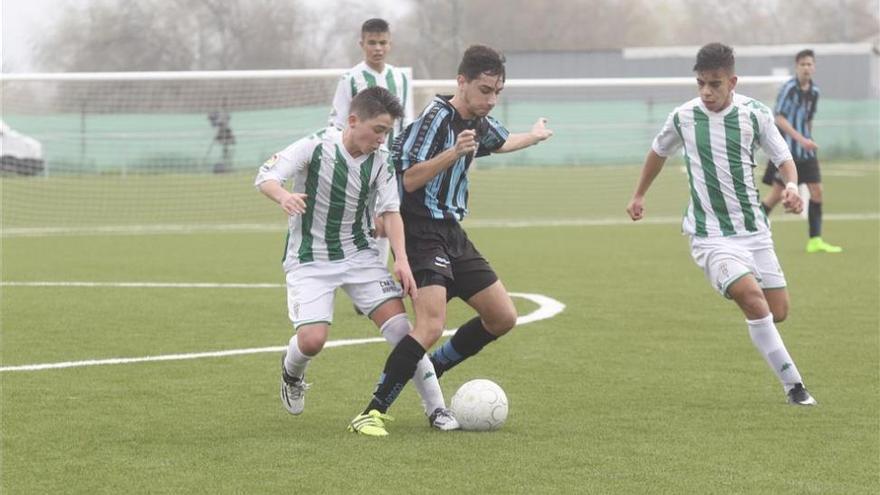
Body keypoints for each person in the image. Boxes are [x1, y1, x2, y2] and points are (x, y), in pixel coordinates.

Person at [347, 45, 553, 436]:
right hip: (419, 230)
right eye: (484, 90)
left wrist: (536, 136)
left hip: (452, 233)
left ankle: (433, 368)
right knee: (429, 324)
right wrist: (452, 153)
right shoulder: (435, 118)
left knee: (503, 317)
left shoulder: (478, 119)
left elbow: (501, 141)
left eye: (497, 92)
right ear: (462, 82)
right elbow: (406, 179)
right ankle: (372, 412)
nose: (491, 100)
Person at [255, 87, 459, 431]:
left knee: (402, 332)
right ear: (353, 120)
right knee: (312, 341)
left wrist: (402, 260)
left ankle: (437, 409)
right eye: (378, 130)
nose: (382, 139)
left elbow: (391, 212)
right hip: (310, 260)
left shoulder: (382, 161)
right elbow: (266, 176)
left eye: (387, 132)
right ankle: (292, 373)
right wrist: (284, 196)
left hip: (361, 257)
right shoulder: (316, 146)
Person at [626, 42, 817, 406]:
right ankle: (795, 388)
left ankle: (761, 327)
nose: (706, 92)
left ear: (732, 81)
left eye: (714, 84)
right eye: (700, 83)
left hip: (755, 232)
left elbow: (784, 158)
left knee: (779, 312)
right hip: (710, 235)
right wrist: (639, 194)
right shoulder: (684, 117)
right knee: (752, 298)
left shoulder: (755, 114)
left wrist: (792, 186)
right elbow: (658, 152)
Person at [329, 18, 415, 270]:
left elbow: (406, 120)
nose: (378, 48)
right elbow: (338, 121)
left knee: (387, 214)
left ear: (390, 44)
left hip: (389, 161)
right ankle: (350, 270)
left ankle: (375, 279)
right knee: (359, 217)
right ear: (362, 44)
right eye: (372, 43)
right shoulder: (350, 79)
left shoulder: (400, 78)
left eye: (383, 42)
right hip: (358, 159)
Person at [760, 49, 841, 253]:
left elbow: (808, 119)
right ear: (797, 66)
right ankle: (751, 229)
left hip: (806, 153)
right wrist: (801, 139)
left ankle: (815, 240)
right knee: (777, 195)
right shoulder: (788, 89)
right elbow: (778, 118)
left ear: (814, 67)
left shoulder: (815, 92)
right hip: (788, 152)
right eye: (803, 64)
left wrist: (809, 140)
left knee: (817, 192)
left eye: (809, 64)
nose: (806, 68)